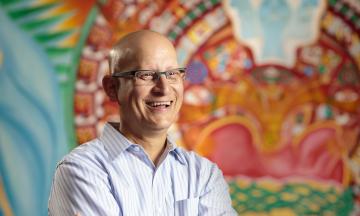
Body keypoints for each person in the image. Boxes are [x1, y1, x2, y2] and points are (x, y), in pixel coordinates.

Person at [48, 30, 237, 216]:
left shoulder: (202, 175)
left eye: (172, 74)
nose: (163, 88)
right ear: (112, 88)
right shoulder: (82, 170)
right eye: (146, 75)